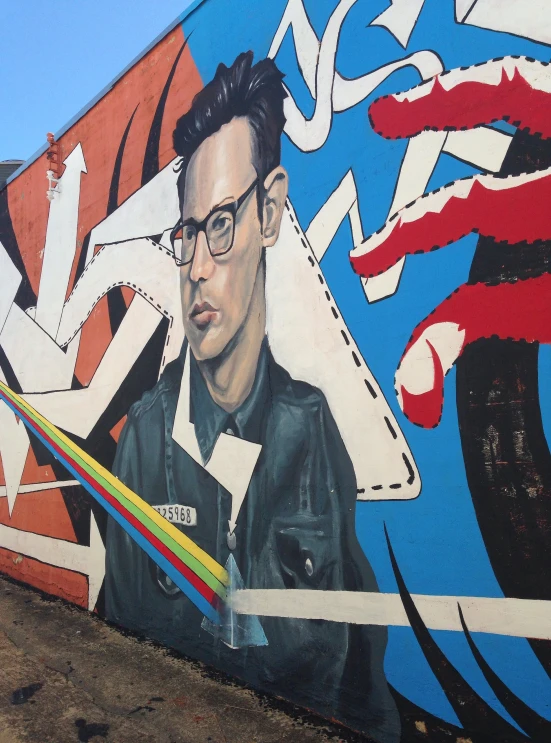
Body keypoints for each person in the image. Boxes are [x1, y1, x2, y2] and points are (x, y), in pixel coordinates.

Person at [105, 51, 399, 743]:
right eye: (188, 232)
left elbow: (358, 674)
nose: (198, 268)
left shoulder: (312, 430)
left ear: (269, 211)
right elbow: (119, 656)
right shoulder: (147, 440)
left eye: (220, 223)